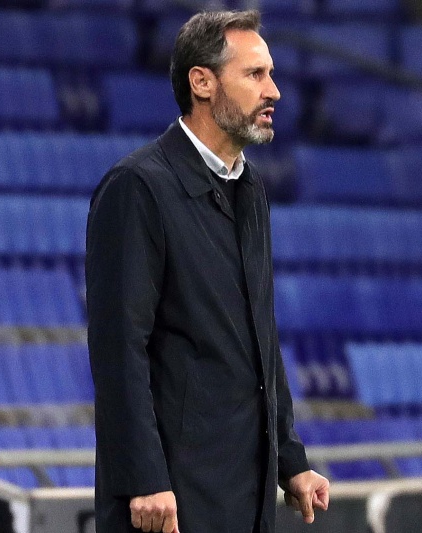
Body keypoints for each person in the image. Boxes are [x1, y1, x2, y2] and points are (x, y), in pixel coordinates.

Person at [85, 10, 329, 533]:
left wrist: (290, 460)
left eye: (271, 74)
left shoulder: (251, 189)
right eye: (255, 74)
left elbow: (260, 337)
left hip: (246, 495)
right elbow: (119, 348)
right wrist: (144, 477)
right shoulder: (137, 187)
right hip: (169, 501)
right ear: (202, 82)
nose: (274, 91)